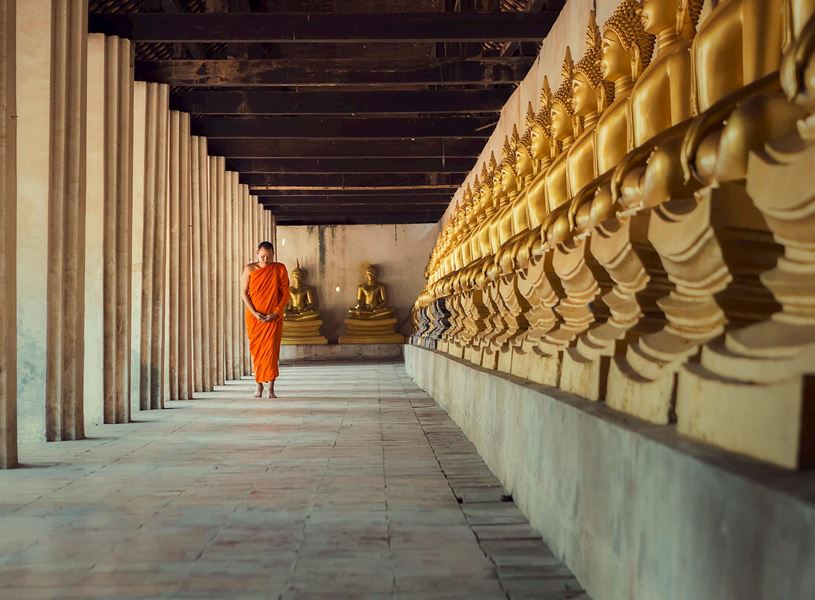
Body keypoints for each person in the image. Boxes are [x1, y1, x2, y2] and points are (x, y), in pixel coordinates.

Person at [241, 242, 290, 398]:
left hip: (273, 317)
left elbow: (286, 293)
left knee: (271, 352)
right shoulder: (249, 269)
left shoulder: (279, 268)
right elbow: (244, 294)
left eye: (269, 257)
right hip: (255, 317)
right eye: (262, 256)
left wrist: (276, 313)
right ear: (257, 253)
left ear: (273, 254)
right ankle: (258, 385)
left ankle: (271, 388)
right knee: (257, 351)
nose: (266, 260)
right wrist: (255, 313)